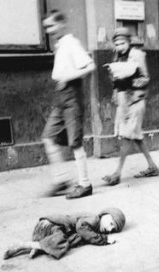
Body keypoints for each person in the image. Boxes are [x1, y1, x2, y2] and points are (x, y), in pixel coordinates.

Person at [41, 10, 95, 199]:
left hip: (72, 98)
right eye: (46, 27)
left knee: (75, 142)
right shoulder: (60, 45)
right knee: (48, 137)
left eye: (52, 26)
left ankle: (85, 184)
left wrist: (68, 77)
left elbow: (90, 66)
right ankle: (61, 180)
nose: (49, 30)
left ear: (62, 23)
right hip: (60, 99)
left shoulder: (72, 43)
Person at [102, 27, 159, 186]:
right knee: (136, 136)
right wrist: (116, 88)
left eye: (123, 43)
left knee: (127, 136)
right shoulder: (117, 57)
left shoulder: (137, 55)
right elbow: (115, 80)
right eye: (117, 44)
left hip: (136, 100)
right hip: (123, 102)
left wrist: (129, 77)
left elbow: (146, 78)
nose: (120, 46)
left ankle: (117, 173)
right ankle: (152, 166)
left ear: (128, 42)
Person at [3, 207, 126, 260]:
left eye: (113, 229)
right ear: (105, 214)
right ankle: (23, 245)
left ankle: (40, 246)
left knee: (76, 239)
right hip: (48, 225)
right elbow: (81, 228)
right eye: (111, 223)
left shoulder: (95, 225)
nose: (109, 229)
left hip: (49, 231)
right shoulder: (94, 219)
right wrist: (103, 240)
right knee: (64, 241)